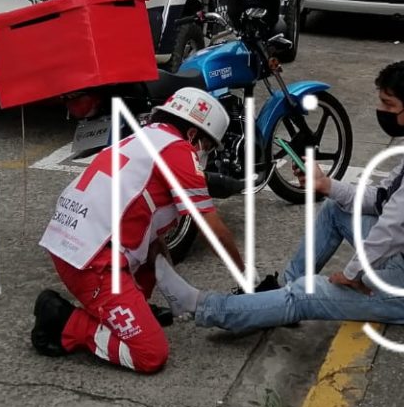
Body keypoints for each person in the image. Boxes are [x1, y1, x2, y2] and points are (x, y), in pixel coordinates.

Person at [151, 61, 404, 334]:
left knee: (307, 293)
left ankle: (206, 307)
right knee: (336, 211)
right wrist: (327, 185)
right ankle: (280, 299)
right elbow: (383, 198)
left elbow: (396, 223)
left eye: (388, 105)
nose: (380, 111)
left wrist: (353, 274)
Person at [29, 88, 245, 374]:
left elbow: (147, 226)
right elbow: (213, 229)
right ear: (193, 135)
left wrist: (170, 277)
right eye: (208, 146)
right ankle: (65, 322)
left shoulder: (146, 136)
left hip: (77, 242)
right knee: (150, 354)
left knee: (152, 252)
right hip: (92, 261)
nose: (205, 154)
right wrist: (246, 278)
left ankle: (132, 309)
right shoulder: (179, 150)